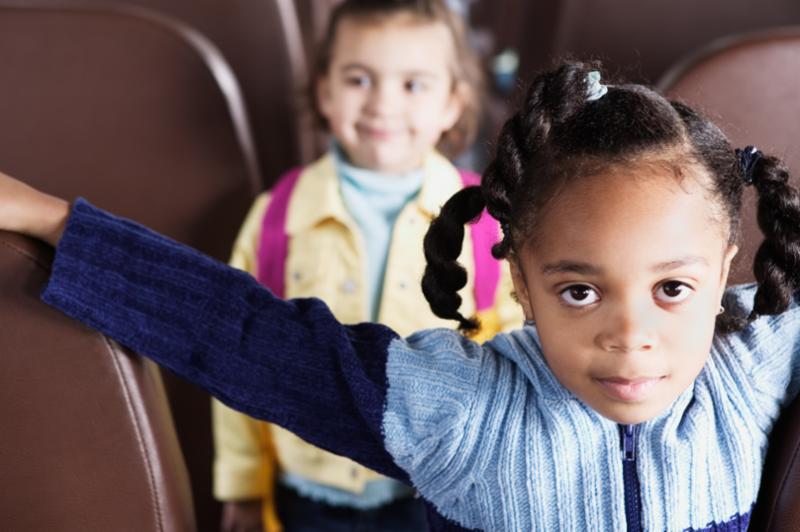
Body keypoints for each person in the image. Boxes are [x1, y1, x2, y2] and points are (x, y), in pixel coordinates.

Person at [2, 60, 800, 531]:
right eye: (582, 291)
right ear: (520, 279)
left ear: (727, 262)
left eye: (672, 288)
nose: (632, 336)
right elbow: (242, 334)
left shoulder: (753, 362)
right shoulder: (452, 405)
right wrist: (52, 220)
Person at [212, 1, 521, 531]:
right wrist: (241, 487)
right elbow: (238, 352)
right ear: (325, 92)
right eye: (359, 79)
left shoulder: (489, 226)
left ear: (453, 103)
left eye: (413, 85)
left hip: (437, 494)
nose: (382, 104)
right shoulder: (276, 220)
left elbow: (516, 366)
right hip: (308, 497)